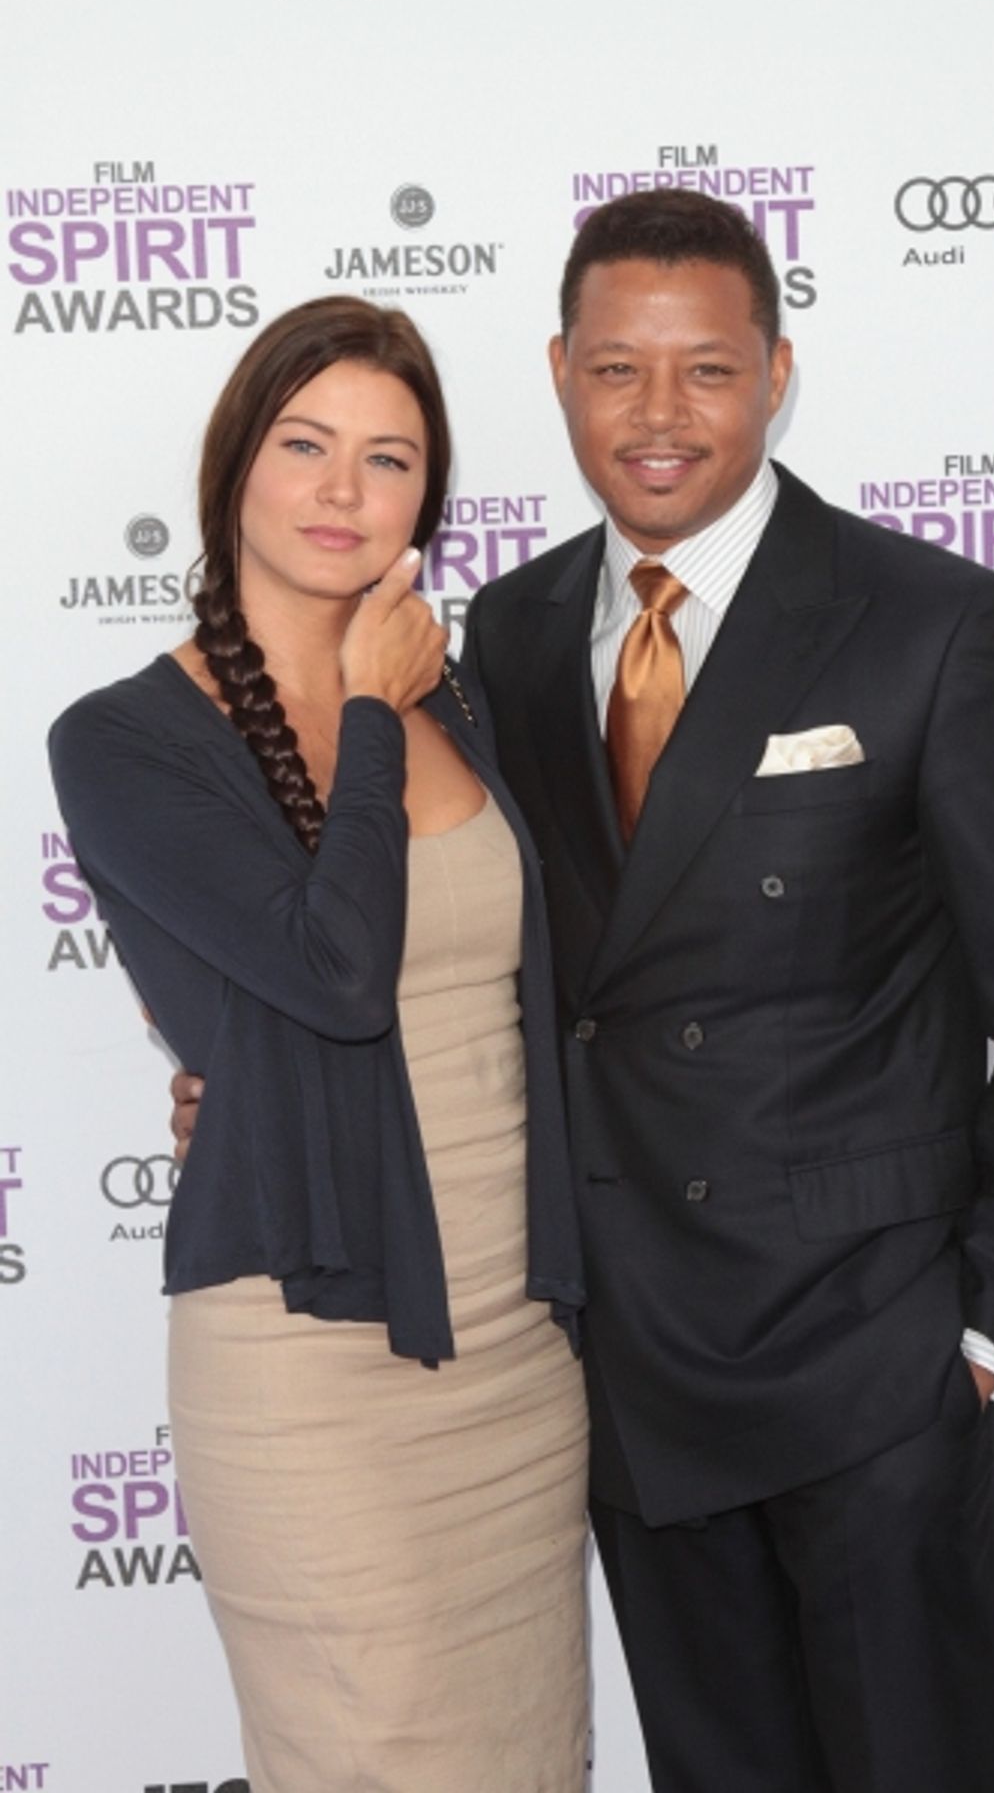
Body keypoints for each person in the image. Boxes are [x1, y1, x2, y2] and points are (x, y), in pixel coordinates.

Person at [172, 196, 994, 1792]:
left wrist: (988, 1330)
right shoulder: (516, 627)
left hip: (875, 1361)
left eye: (706, 371)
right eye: (617, 369)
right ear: (558, 373)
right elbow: (486, 956)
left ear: (777, 371)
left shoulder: (938, 626)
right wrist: (270, 1076)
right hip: (629, 1370)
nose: (660, 414)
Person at [50, 296, 588, 1793]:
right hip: (312, 1350)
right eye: (306, 444)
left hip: (516, 1356)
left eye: (392, 458)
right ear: (235, 464)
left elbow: (522, 988)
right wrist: (363, 701)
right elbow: (337, 973)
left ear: (433, 496)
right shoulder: (125, 738)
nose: (345, 492)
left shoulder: (461, 699)